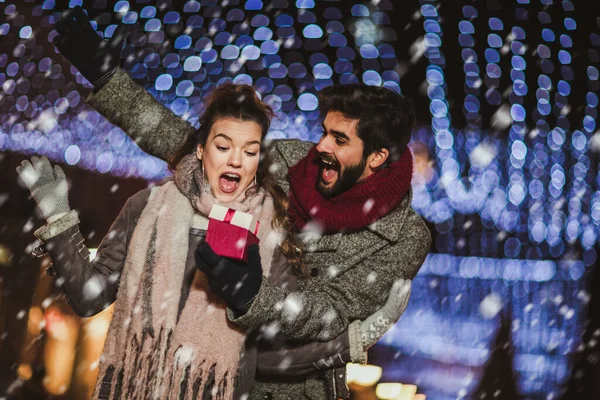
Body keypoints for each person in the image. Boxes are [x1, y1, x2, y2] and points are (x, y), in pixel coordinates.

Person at [49, 7, 431, 399]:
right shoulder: (293, 162)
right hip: (210, 360)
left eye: (339, 139)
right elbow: (192, 147)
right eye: (324, 132)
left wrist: (253, 295)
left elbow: (328, 312)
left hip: (290, 384)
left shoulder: (403, 237)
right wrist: (109, 78)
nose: (321, 146)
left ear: (378, 157)